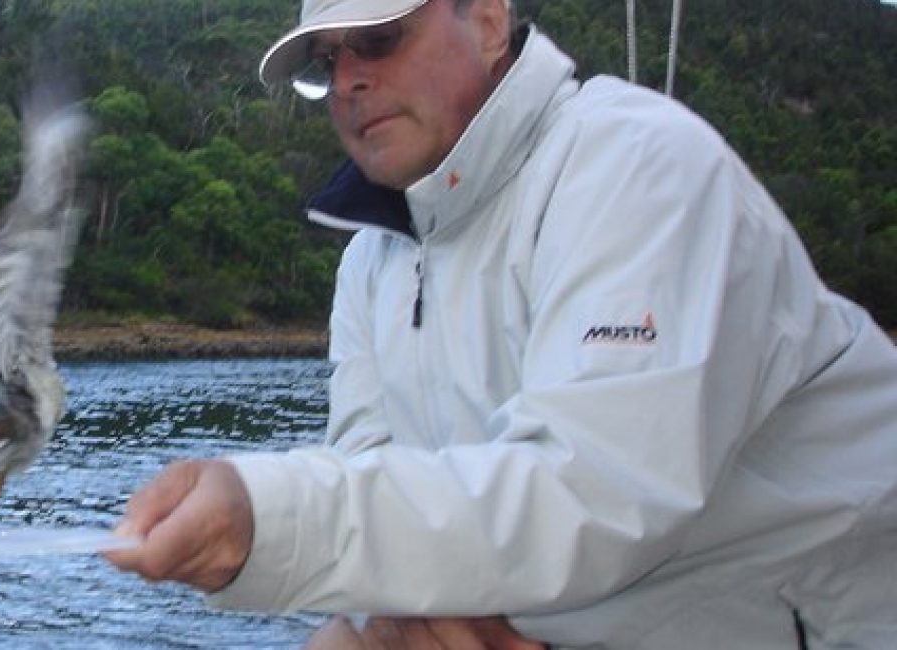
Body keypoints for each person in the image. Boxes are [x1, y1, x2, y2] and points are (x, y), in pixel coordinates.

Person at [103, 0, 897, 647]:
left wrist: (267, 517)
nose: (348, 80)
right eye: (326, 62)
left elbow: (595, 495)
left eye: (377, 40)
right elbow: (374, 473)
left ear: (486, 20)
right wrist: (386, 624)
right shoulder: (369, 264)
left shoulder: (636, 165)